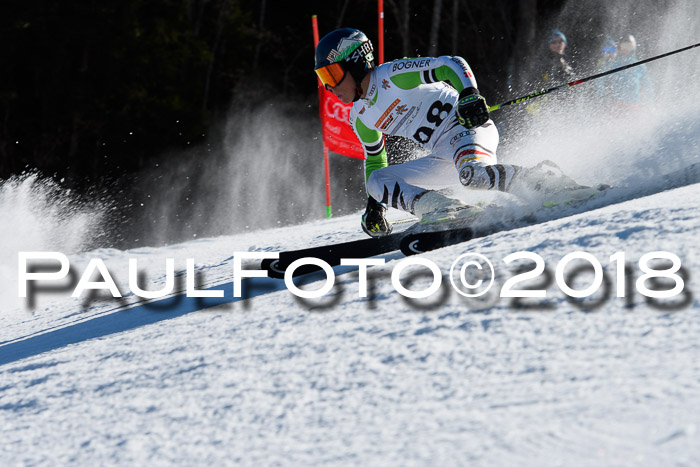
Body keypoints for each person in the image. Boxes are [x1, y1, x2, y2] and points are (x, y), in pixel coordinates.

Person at [314, 28, 585, 237]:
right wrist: (376, 205)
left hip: (467, 129)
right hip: (442, 156)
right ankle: (443, 209)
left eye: (333, 75)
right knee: (375, 180)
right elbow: (375, 158)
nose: (330, 87)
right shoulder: (359, 116)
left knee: (473, 176)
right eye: (324, 78)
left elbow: (450, 64)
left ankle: (548, 184)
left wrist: (469, 94)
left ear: (356, 63)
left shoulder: (391, 75)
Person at [597, 34, 654, 111]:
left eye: (628, 47)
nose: (625, 50)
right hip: (616, 103)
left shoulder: (639, 65)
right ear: (619, 47)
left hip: (634, 103)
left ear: (633, 48)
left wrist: (649, 102)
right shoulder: (613, 64)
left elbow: (647, 84)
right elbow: (599, 79)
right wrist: (602, 95)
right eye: (623, 47)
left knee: (635, 115)